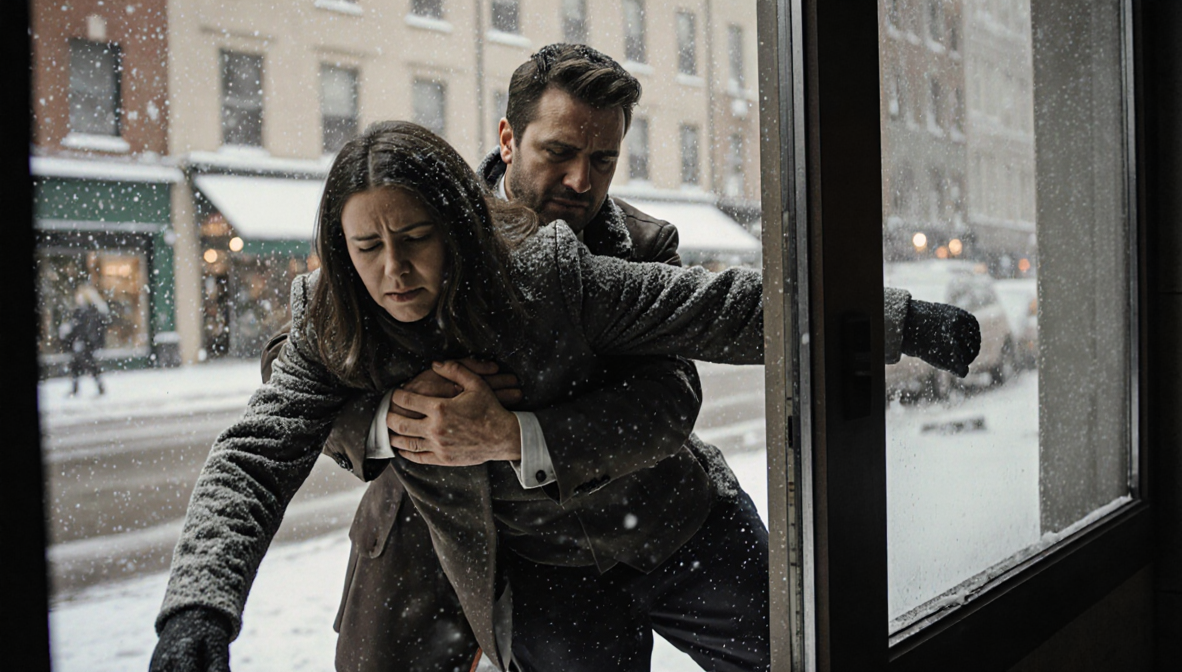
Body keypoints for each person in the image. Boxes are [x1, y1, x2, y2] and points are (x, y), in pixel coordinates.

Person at [271, 45, 979, 671]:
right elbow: (296, 360)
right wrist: (394, 418)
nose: (582, 180)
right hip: (536, 567)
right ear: (508, 140)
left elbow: (682, 383)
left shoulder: (644, 247)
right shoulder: (428, 233)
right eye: (559, 153)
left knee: (800, 651)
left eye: (603, 159)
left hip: (676, 524)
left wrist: (515, 436)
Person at [151, 120, 772, 672]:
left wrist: (852, 313)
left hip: (674, 522)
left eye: (415, 238)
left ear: (456, 227)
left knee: (798, 648)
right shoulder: (330, 317)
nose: (393, 269)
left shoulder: (545, 274)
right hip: (548, 574)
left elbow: (724, 310)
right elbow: (253, 455)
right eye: (367, 247)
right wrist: (198, 606)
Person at [62, 283, 108, 397]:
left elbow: (87, 329)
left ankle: (98, 388)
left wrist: (82, 341)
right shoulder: (83, 311)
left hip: (84, 344)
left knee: (87, 365)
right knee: (77, 366)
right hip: (82, 343)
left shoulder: (87, 311)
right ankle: (77, 389)